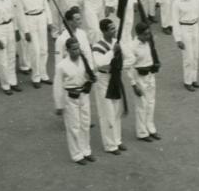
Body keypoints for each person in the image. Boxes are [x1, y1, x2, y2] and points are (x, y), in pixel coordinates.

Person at [91, 19, 126, 156]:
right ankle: (109, 145)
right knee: (107, 113)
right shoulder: (97, 46)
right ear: (104, 31)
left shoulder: (116, 42)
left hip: (115, 77)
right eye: (111, 29)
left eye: (114, 28)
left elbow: (126, 57)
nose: (114, 30)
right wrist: (112, 51)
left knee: (116, 110)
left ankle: (117, 140)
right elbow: (100, 62)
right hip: (103, 79)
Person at [58, 38, 94, 165]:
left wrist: (91, 79)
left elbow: (90, 75)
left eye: (78, 48)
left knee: (85, 123)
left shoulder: (84, 61)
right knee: (74, 126)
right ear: (67, 50)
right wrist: (59, 105)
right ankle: (77, 154)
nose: (76, 51)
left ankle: (86, 150)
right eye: (73, 49)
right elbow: (58, 86)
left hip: (84, 94)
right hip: (71, 97)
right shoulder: (62, 65)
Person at [14, 0, 52, 88]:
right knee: (34, 50)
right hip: (29, 20)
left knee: (44, 49)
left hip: (41, 18)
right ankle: (35, 77)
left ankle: (43, 74)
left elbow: (46, 5)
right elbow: (19, 13)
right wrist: (25, 31)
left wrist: (49, 21)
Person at [127, 21, 161, 142]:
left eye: (149, 33)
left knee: (151, 103)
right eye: (146, 34)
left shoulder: (149, 42)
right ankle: (142, 132)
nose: (148, 36)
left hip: (150, 75)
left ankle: (150, 128)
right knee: (142, 105)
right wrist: (133, 84)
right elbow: (129, 67)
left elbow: (153, 54)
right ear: (139, 34)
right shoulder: (132, 46)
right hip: (139, 77)